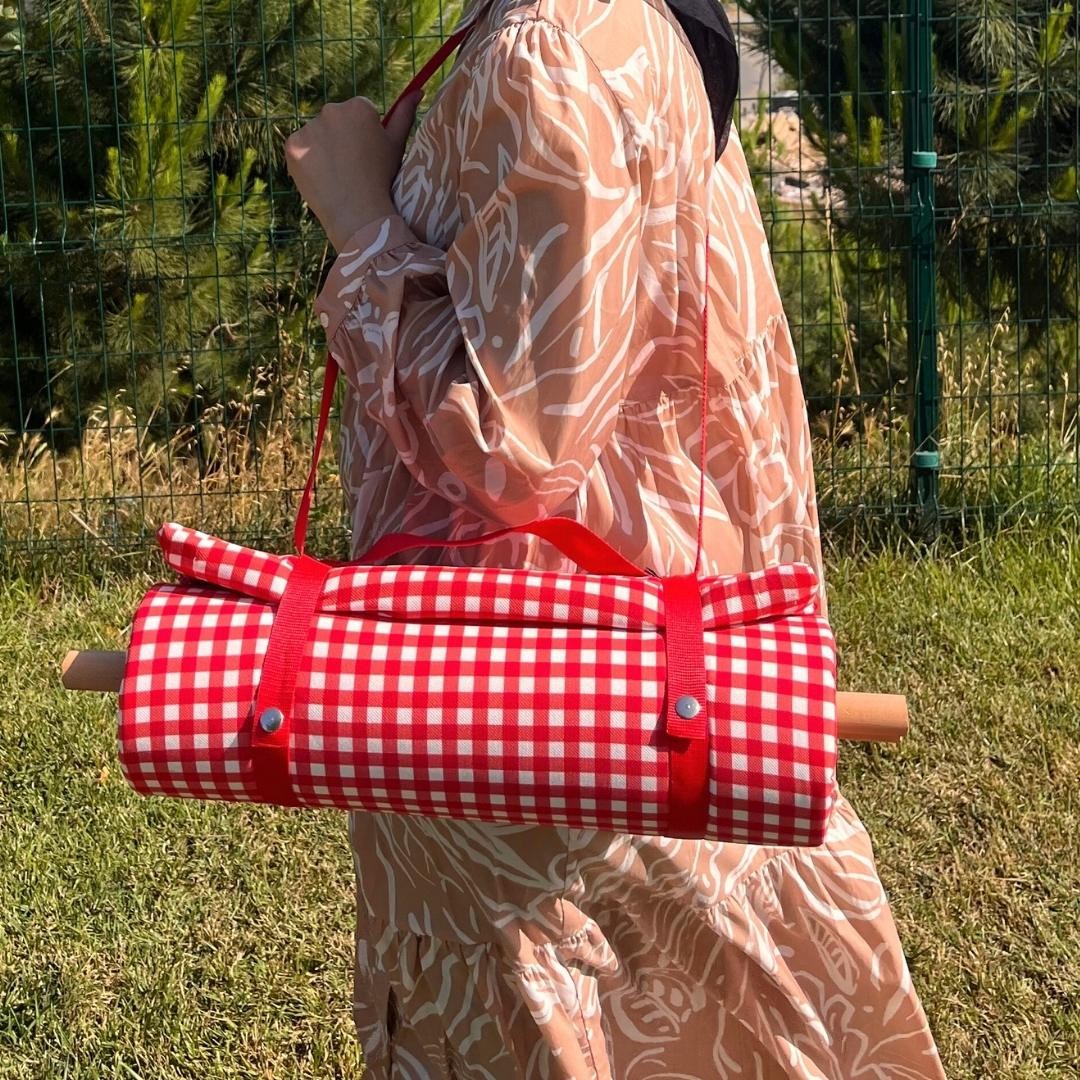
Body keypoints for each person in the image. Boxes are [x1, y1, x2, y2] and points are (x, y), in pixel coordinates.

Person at [284, 0, 946, 1075]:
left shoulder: (543, 56)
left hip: (538, 754)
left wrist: (361, 224)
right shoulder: (630, 20)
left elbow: (513, 449)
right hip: (648, 679)